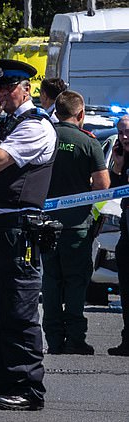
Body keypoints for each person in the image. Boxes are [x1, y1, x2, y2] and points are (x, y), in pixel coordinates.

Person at [0, 59, 57, 411]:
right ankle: (6, 382)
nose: (2, 94)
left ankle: (27, 388)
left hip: (17, 229)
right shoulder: (9, 123)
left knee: (18, 311)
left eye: (10, 87)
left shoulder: (35, 126)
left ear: (27, 89)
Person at [41, 90, 110, 355]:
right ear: (80, 114)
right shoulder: (88, 142)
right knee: (75, 282)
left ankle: (54, 339)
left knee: (50, 281)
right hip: (76, 225)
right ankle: (75, 338)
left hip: (45, 224)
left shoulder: (45, 136)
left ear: (57, 111)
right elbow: (103, 185)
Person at [108, 115, 129, 356]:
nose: (124, 137)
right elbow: (112, 188)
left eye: (128, 132)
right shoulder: (120, 155)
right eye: (121, 132)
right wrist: (118, 165)